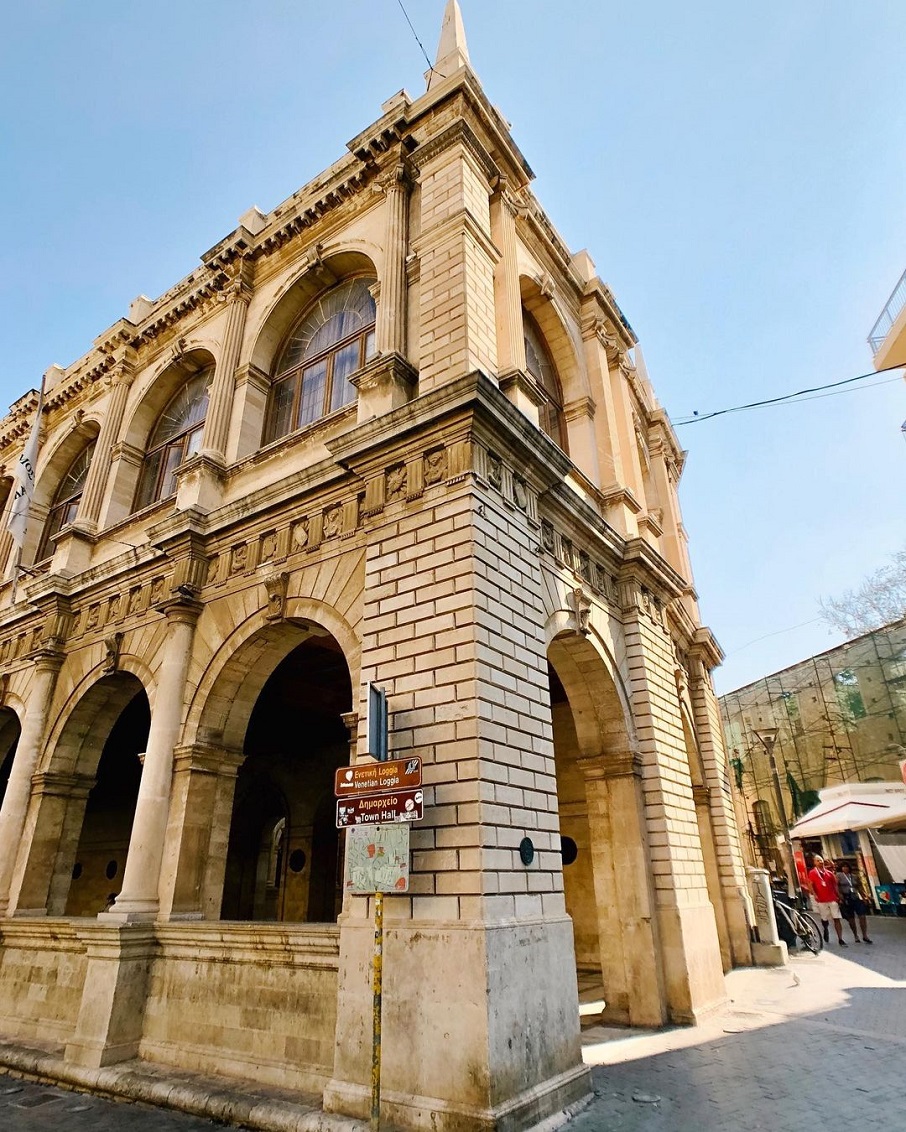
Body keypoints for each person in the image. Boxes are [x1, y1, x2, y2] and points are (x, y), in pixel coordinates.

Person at [807, 855, 846, 946]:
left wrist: (838, 896)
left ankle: (840, 938)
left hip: (832, 898)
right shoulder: (812, 873)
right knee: (824, 918)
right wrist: (814, 894)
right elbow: (810, 884)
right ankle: (825, 928)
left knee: (836, 918)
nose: (820, 862)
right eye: (818, 861)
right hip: (821, 900)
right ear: (815, 863)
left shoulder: (829, 873)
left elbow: (835, 885)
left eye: (821, 860)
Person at [836, 863, 873, 944]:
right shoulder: (839, 876)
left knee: (862, 916)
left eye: (846, 866)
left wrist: (864, 897)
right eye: (844, 867)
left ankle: (864, 935)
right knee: (851, 918)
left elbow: (859, 887)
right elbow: (837, 887)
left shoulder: (854, 876)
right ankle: (855, 935)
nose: (845, 868)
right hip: (846, 898)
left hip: (855, 897)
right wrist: (840, 897)